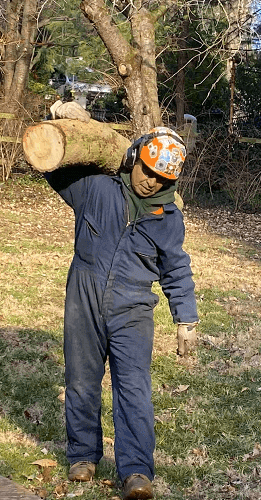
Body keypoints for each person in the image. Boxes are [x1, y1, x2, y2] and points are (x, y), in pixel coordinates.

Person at [44, 127, 200, 500]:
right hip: (83, 296)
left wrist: (186, 319)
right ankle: (83, 456)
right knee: (81, 380)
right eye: (147, 170)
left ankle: (135, 471)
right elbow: (51, 163)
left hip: (133, 308)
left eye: (162, 178)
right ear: (132, 158)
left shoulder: (168, 217)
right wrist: (62, 123)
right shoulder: (96, 189)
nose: (151, 182)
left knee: (133, 388)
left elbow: (176, 269)